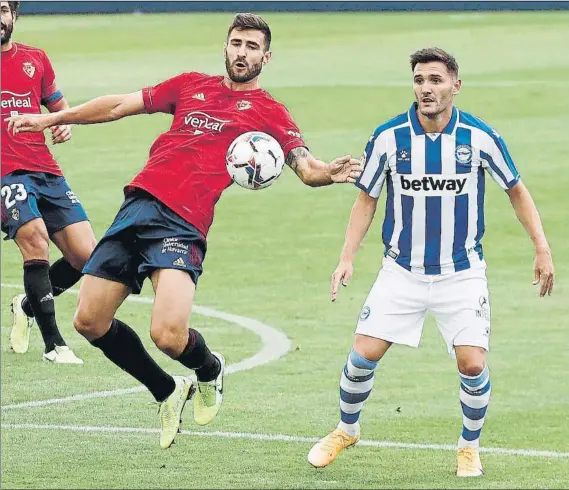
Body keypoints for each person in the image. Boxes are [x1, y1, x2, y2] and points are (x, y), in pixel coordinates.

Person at [6, 13, 362, 449]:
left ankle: (209, 369)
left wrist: (329, 171)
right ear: (225, 47)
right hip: (136, 208)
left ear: (266, 57)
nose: (242, 52)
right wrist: (47, 120)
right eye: (236, 43)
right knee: (88, 321)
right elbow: (120, 105)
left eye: (252, 47)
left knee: (168, 335)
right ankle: (166, 391)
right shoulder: (191, 85)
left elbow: (305, 167)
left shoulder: (268, 112)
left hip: (183, 224)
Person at [307, 47, 555, 477]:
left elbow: (516, 189)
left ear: (455, 86)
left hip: (461, 272)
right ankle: (347, 429)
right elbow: (367, 199)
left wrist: (542, 247)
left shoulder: (480, 138)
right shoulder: (388, 138)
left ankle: (468, 446)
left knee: (472, 363)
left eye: (436, 80)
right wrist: (347, 257)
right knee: (362, 354)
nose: (427, 88)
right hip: (401, 270)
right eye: (420, 80)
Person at [1, 0, 96, 363]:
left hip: (45, 169)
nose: (0, 17)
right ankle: (54, 345)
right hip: (4, 172)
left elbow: (58, 104)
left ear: (14, 15)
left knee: (86, 255)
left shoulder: (35, 59)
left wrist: (64, 120)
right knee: (35, 237)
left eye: (4, 9)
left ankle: (27, 305)